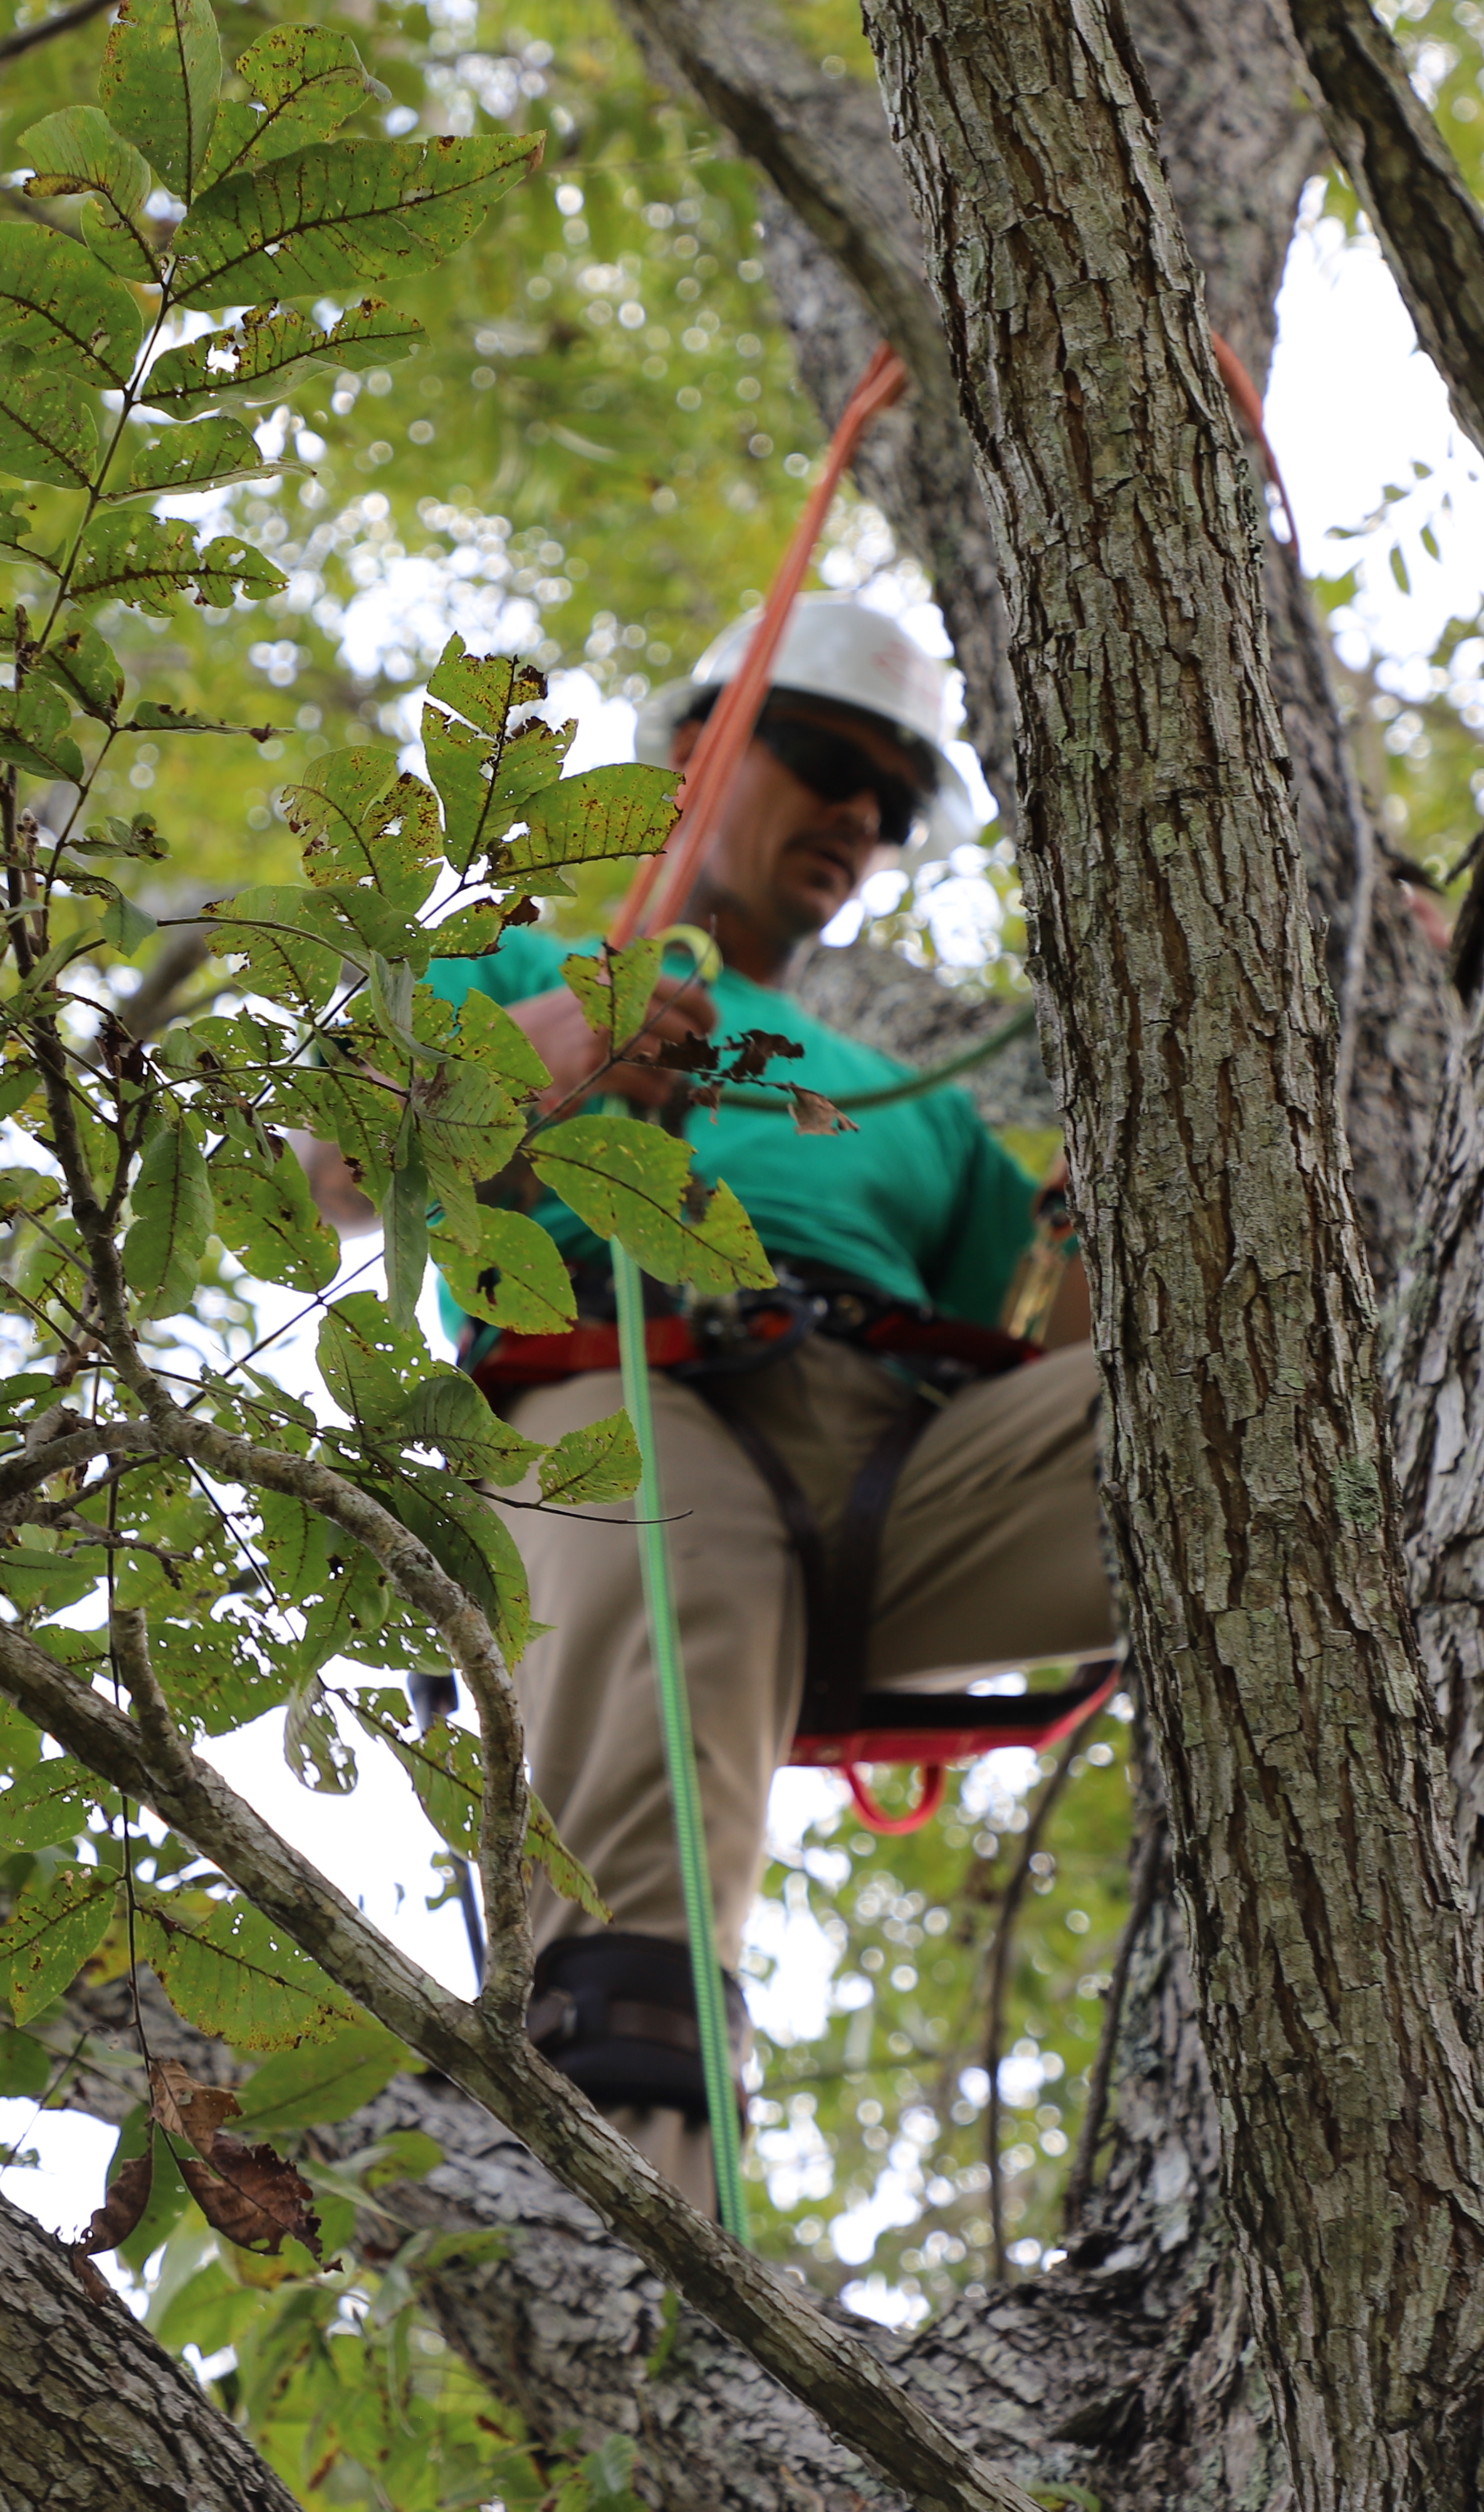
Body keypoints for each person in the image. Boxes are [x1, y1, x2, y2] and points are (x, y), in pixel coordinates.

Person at [316, 596, 1113, 2205]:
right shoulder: (523, 959)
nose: (860, 819)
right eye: (827, 761)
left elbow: (1043, 1349)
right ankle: (640, 2275)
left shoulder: (931, 1127)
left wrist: (1136, 1198)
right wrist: (565, 1046)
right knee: (649, 1816)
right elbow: (337, 1167)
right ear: (701, 749)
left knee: (1251, 1441)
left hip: (908, 1471)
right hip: (627, 1401)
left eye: (893, 806)